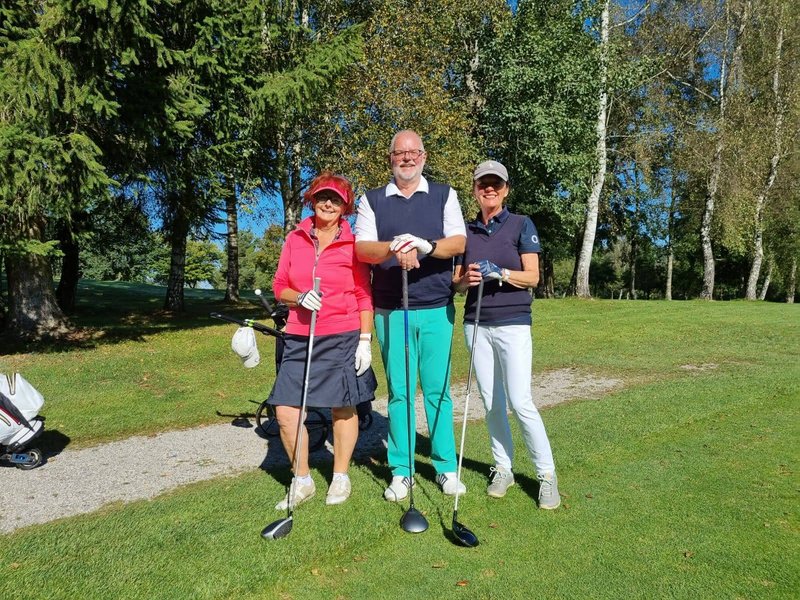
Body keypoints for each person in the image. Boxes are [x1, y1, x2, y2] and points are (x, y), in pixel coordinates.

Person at [355, 129, 467, 501]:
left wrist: (425, 246)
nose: (407, 158)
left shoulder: (444, 194)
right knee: (400, 394)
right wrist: (394, 247)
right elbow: (363, 249)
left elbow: (458, 241)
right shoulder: (372, 200)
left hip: (436, 308)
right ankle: (402, 471)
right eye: (400, 153)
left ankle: (445, 467)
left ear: (423, 157)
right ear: (391, 159)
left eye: (414, 152)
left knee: (438, 392)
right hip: (391, 310)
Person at [453, 160, 560, 509]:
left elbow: (533, 277)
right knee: (491, 402)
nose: (489, 189)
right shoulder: (464, 231)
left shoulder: (520, 224)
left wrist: (500, 272)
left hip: (513, 322)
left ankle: (546, 475)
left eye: (495, 184)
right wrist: (464, 280)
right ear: (474, 190)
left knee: (520, 401)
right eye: (483, 184)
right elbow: (455, 282)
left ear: (506, 190)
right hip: (476, 324)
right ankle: (503, 468)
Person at [269, 172, 376, 509]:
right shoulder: (295, 238)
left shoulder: (353, 243)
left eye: (335, 199)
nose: (327, 203)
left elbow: (363, 294)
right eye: (321, 197)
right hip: (299, 335)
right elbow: (279, 286)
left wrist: (365, 339)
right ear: (311, 201)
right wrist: (299, 297)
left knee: (341, 406)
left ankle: (340, 475)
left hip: (341, 334)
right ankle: (302, 480)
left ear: (345, 206)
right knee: (286, 411)